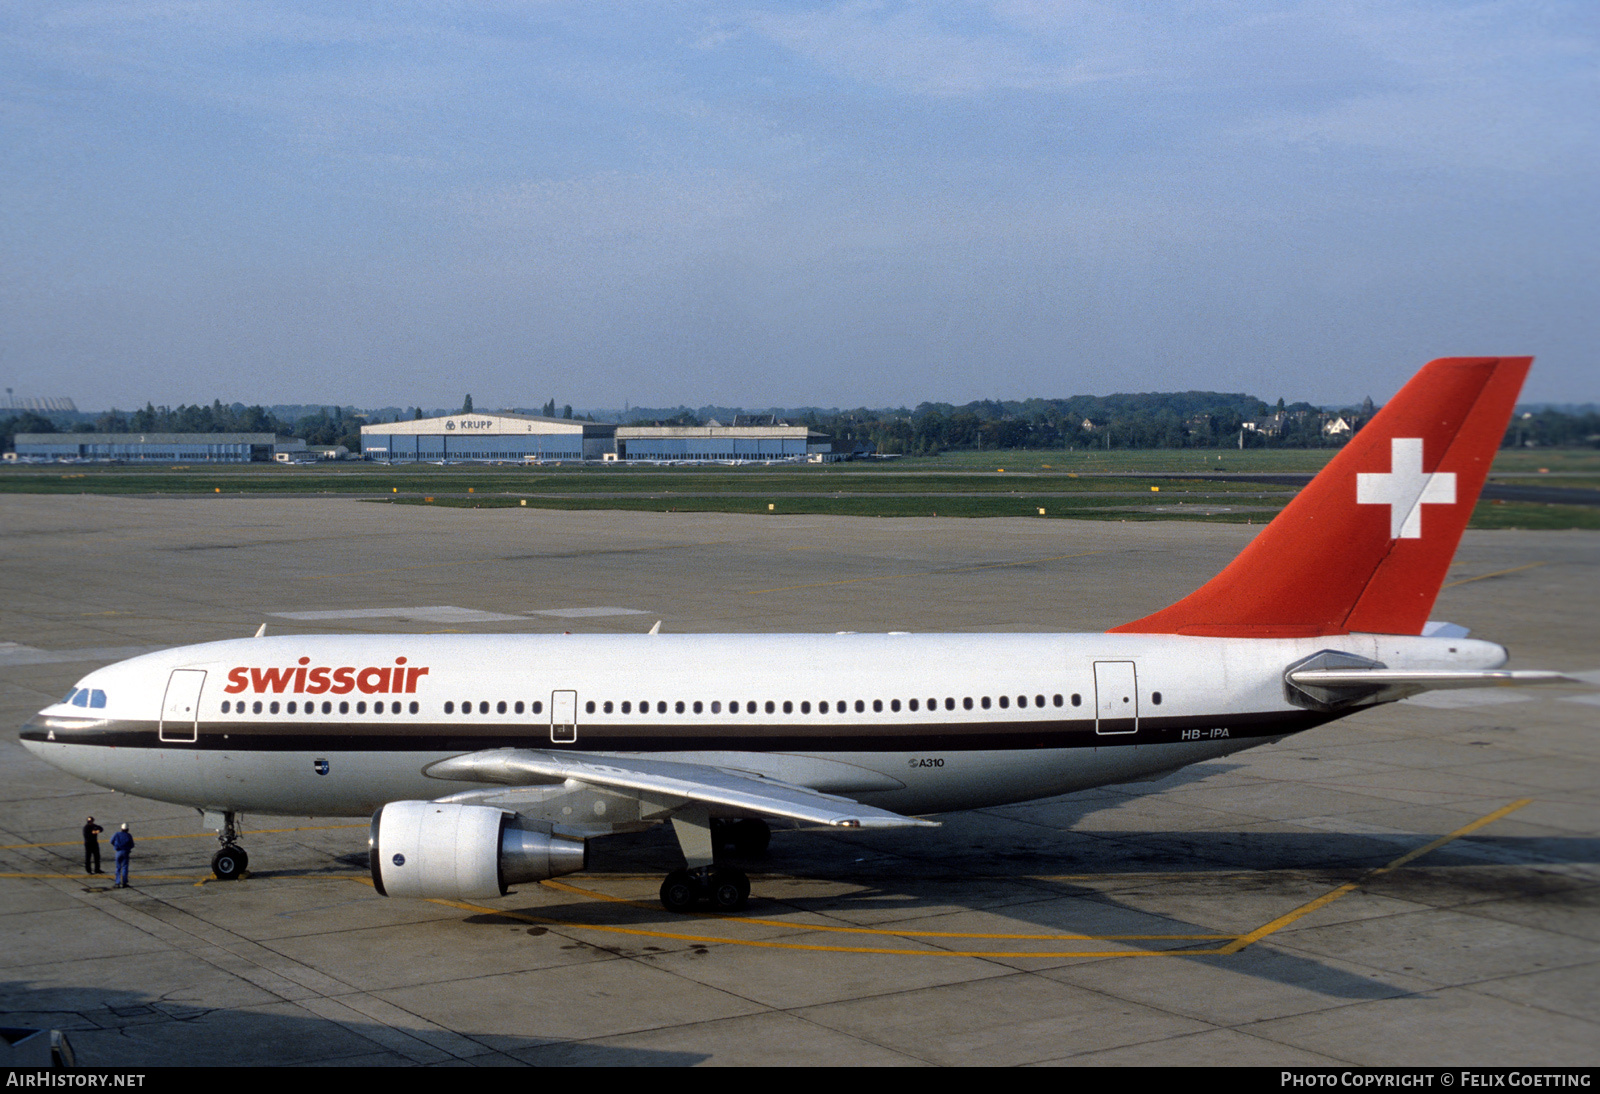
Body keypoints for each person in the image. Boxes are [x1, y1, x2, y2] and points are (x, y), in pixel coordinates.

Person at [110, 824, 134, 888]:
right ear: (127, 829)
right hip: (125, 852)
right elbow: (132, 845)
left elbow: (111, 841)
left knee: (118, 867)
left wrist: (116, 846)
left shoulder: (117, 834)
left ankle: (117, 882)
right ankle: (124, 883)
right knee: (125, 867)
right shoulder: (129, 835)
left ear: (121, 828)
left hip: (118, 852)